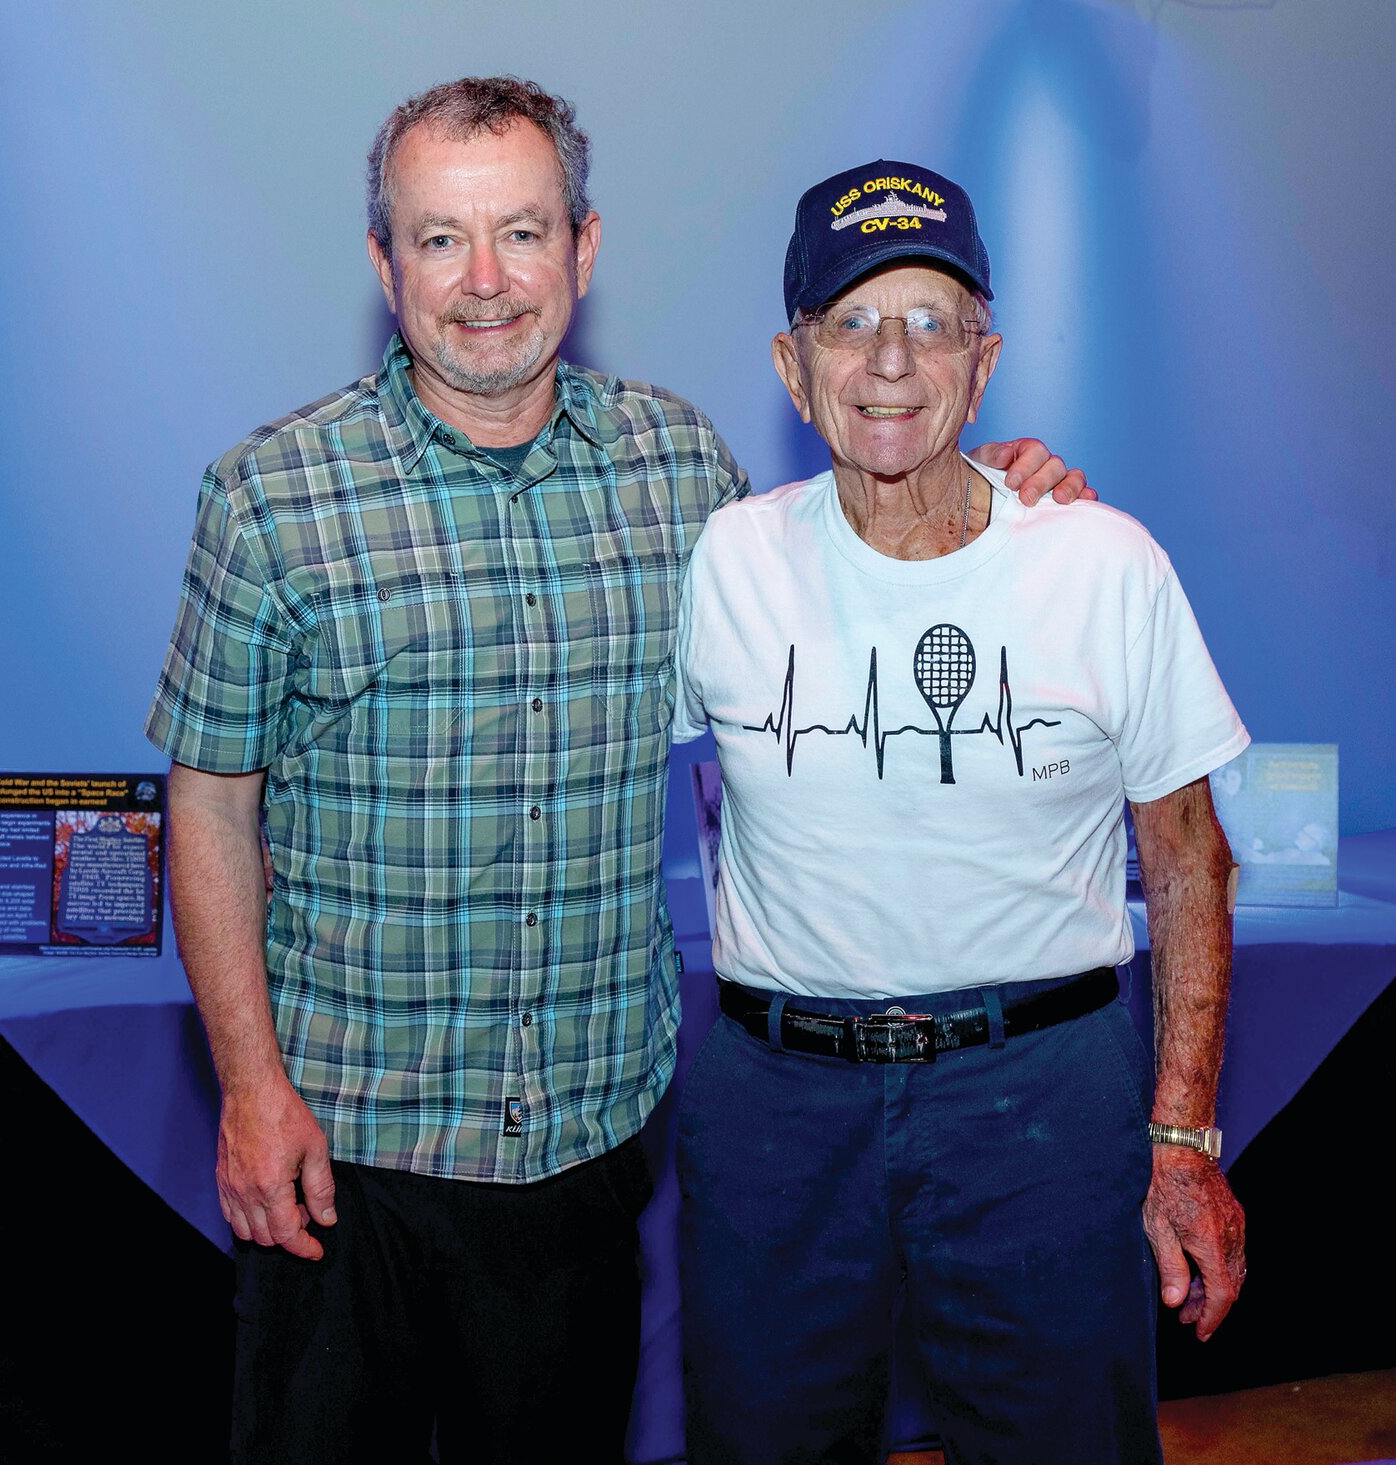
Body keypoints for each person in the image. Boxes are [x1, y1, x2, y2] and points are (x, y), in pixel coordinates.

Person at [145, 79, 1087, 1464]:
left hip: (584, 1156)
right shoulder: (270, 497)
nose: (484, 282)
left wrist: (995, 482)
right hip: (343, 1156)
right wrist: (249, 1087)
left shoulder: (679, 470)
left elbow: (864, 557)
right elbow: (210, 807)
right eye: (439, 238)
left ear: (584, 249)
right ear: (381, 261)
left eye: (521, 232)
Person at [672, 158, 1248, 1464]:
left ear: (982, 365)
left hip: (1039, 1101)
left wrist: (1180, 1140)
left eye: (930, 321)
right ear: (790, 362)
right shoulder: (727, 560)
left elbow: (1192, 859)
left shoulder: (1101, 562)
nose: (890, 361)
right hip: (778, 1106)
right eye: (852, 322)